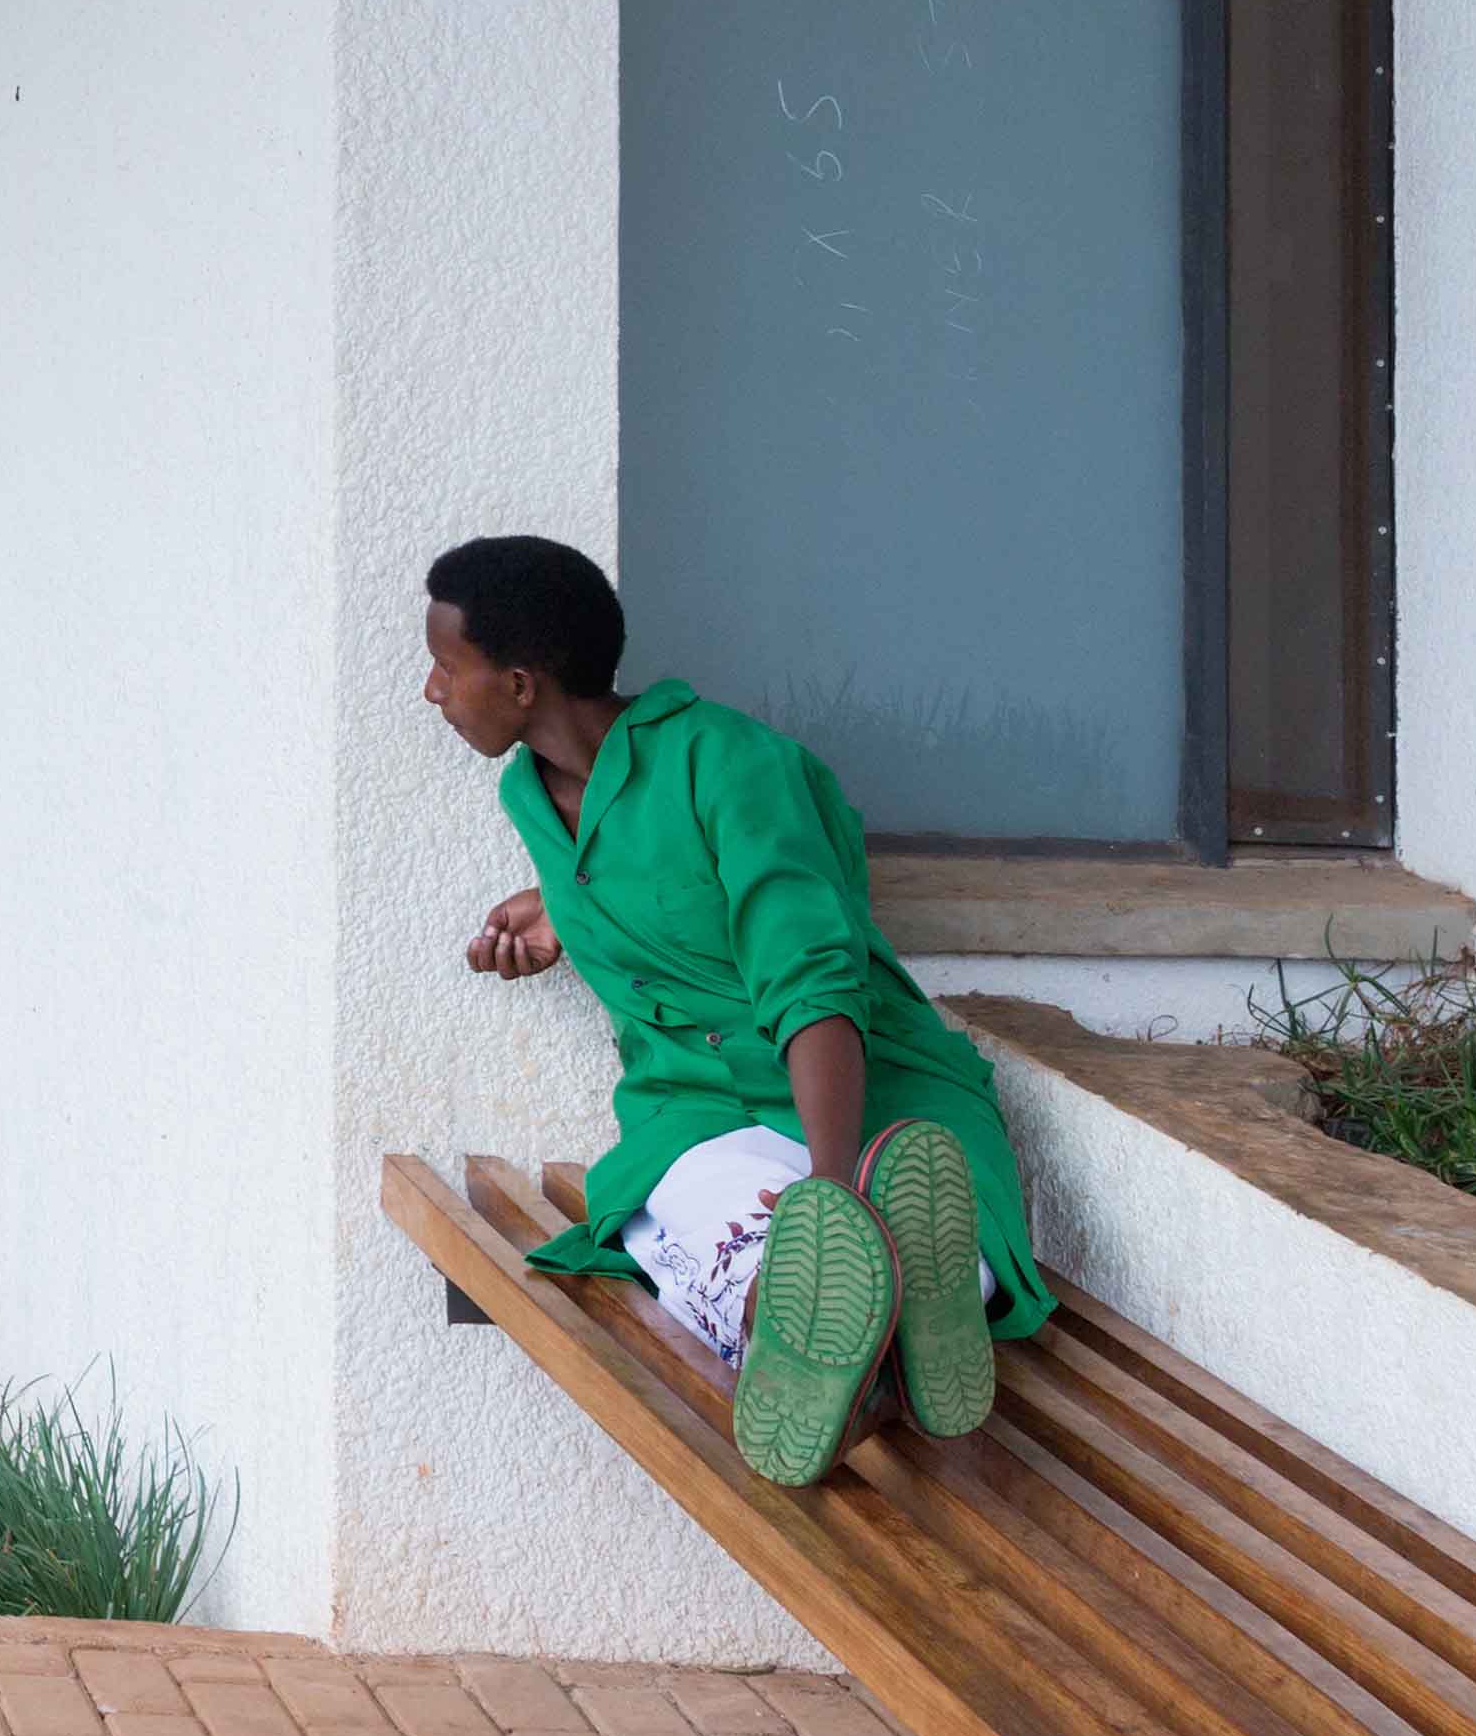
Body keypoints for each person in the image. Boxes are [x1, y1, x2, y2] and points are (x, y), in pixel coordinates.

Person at [424, 532, 1053, 1488]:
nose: (432, 690)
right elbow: (654, 875)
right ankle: (890, 1337)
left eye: (446, 665)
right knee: (742, 1252)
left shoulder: (732, 765)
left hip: (869, 1103)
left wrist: (832, 1198)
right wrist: (569, 913)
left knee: (776, 1253)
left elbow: (812, 979)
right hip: (703, 1117)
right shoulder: (530, 793)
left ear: (519, 684)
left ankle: (876, 1293)